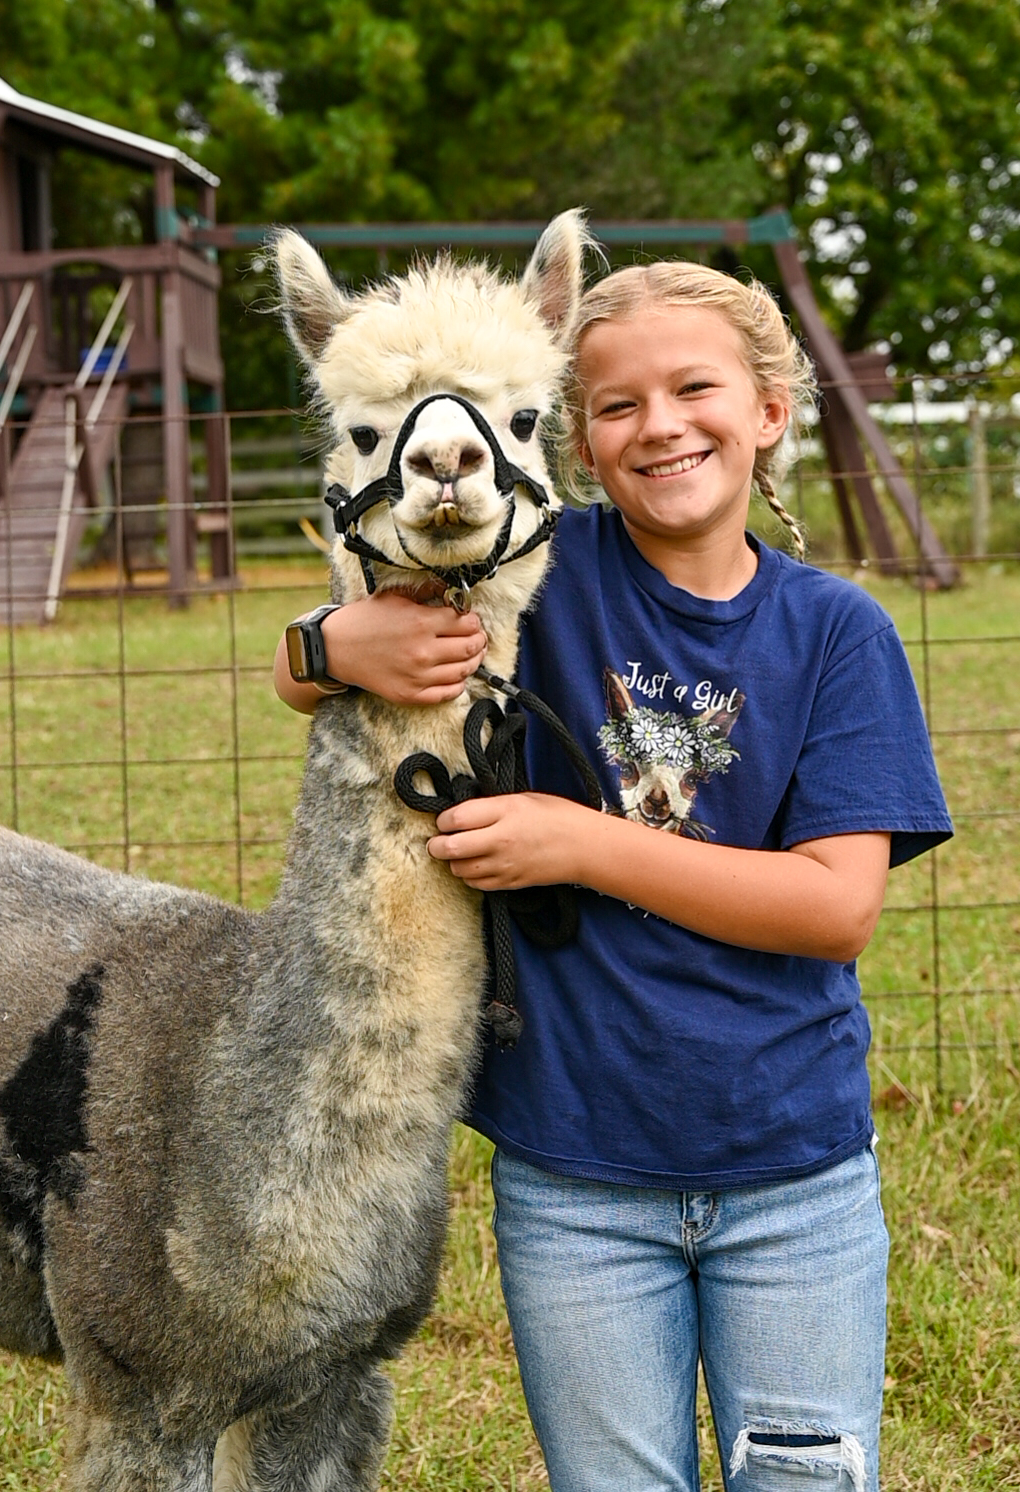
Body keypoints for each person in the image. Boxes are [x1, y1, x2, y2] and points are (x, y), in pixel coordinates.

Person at [274, 261, 952, 1492]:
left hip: (791, 1174)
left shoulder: (839, 633)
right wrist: (326, 643)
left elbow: (837, 907)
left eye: (695, 388)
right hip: (575, 1174)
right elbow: (359, 621)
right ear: (577, 440)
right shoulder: (549, 576)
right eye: (617, 405)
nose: (661, 425)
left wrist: (583, 843)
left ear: (770, 410)